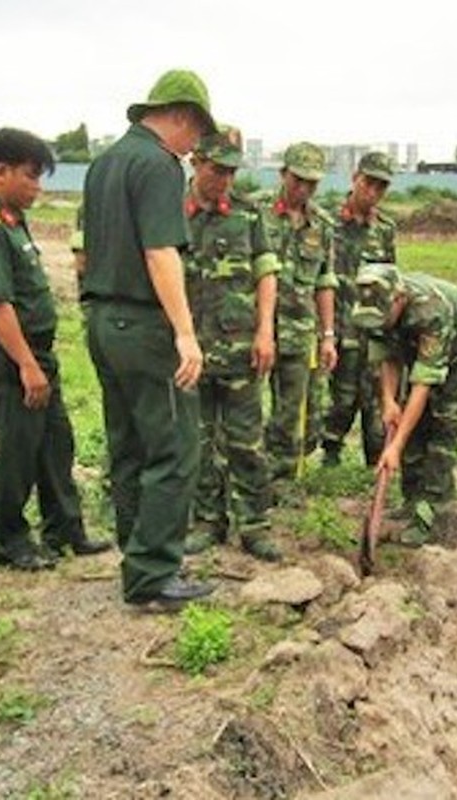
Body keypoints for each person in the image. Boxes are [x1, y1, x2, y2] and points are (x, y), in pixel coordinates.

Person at [81, 69, 217, 607]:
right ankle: (154, 574)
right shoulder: (159, 166)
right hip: (142, 326)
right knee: (176, 447)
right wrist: (185, 334)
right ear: (181, 116)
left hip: (102, 320)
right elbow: (160, 253)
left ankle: (138, 554)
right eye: (196, 134)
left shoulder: (105, 162)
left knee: (130, 445)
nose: (194, 148)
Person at [0, 128, 110, 571]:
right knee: (18, 451)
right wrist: (26, 364)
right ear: (1, 172)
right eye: (31, 176)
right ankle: (7, 539)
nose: (38, 187)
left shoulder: (10, 218)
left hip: (36, 355)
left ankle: (65, 529)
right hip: (11, 358)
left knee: (55, 444)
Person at [179, 126, 282, 561]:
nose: (225, 180)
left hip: (240, 348)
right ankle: (208, 520)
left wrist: (264, 331)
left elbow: (266, 272)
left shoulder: (248, 213)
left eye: (231, 172)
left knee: (246, 440)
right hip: (192, 350)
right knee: (199, 441)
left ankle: (255, 524)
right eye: (217, 170)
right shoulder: (169, 210)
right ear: (196, 162)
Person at [348, 263, 457, 544]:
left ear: (399, 300)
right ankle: (411, 500)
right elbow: (387, 356)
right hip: (412, 344)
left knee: (442, 422)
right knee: (410, 422)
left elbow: (423, 384)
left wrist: (394, 447)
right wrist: (388, 401)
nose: (379, 322)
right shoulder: (374, 307)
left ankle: (433, 508)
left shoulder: (431, 312)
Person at [317, 151, 397, 468]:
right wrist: (325, 332)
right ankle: (331, 453)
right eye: (369, 183)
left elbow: (390, 279)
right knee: (341, 400)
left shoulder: (385, 229)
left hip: (373, 331)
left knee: (376, 400)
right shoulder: (328, 222)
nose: (373, 192)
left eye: (381, 187)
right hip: (338, 327)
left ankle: (374, 460)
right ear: (355, 178)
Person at [261, 141, 334, 483]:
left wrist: (328, 335)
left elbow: (325, 282)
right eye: (297, 180)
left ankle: (283, 480)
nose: (303, 189)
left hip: (297, 332)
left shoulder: (322, 225)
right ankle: (238, 477)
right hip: (253, 329)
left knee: (292, 411)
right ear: (283, 173)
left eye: (312, 183)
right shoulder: (255, 212)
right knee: (241, 408)